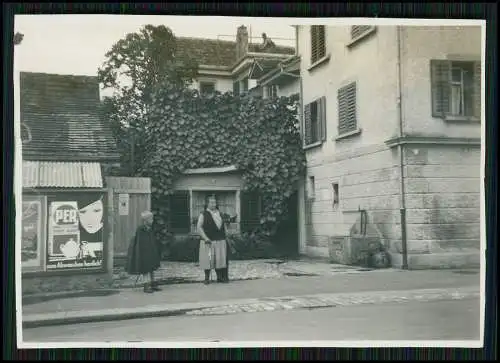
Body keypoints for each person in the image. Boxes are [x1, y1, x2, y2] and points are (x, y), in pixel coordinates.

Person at [125, 211, 161, 293]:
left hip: (151, 251)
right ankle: (146, 286)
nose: (152, 220)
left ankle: (153, 284)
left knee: (152, 268)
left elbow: (151, 240)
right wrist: (141, 254)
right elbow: (140, 243)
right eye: (150, 219)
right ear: (145, 221)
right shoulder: (141, 229)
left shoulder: (150, 229)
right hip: (144, 253)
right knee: (146, 270)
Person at [197, 194, 228, 284]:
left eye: (215, 202)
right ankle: (206, 278)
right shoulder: (203, 214)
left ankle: (219, 277)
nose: (214, 204)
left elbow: (224, 226)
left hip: (220, 240)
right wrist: (205, 238)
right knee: (208, 260)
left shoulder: (220, 213)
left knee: (219, 259)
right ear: (207, 204)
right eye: (211, 202)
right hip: (208, 240)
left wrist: (226, 235)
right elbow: (199, 227)